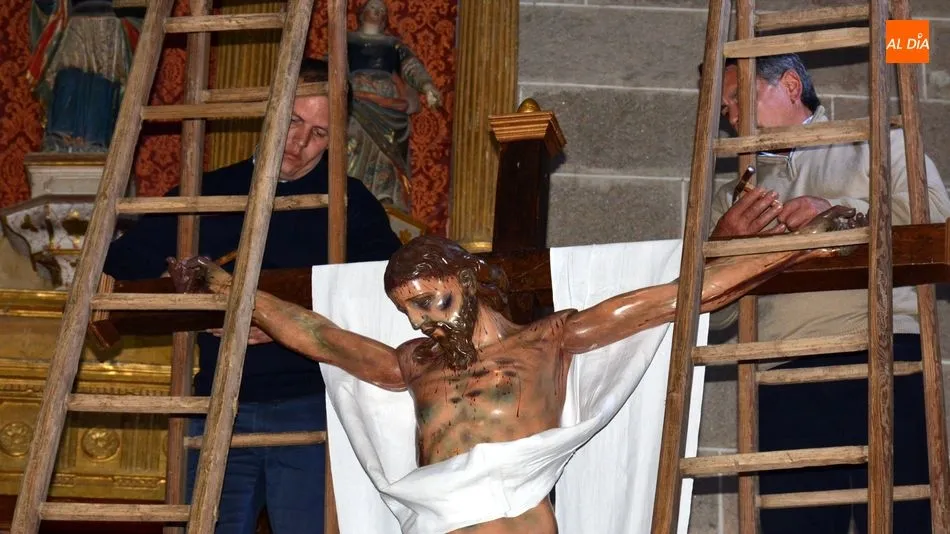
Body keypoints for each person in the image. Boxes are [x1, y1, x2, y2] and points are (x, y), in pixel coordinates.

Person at [168, 207, 861, 534]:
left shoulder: (550, 341)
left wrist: (797, 249)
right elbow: (319, 335)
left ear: (467, 281)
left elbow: (682, 297)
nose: (422, 321)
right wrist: (230, 287)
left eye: (433, 301)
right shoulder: (412, 362)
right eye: (408, 311)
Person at [102, 58, 403, 534]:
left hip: (314, 406)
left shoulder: (351, 202)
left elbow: (387, 292)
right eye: (294, 122)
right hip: (218, 403)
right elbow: (121, 266)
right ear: (270, 113)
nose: (299, 143)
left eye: (319, 133)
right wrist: (189, 297)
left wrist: (286, 320)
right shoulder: (207, 192)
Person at [709, 53, 950, 534]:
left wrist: (838, 210)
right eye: (724, 109)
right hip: (780, 370)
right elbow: (713, 319)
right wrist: (723, 247)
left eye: (737, 97)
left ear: (790, 85)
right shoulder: (732, 198)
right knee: (795, 526)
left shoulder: (881, 144)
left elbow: (935, 221)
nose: (731, 116)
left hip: (883, 352)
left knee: (906, 517)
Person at [342, 0, 442, 213]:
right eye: (372, 8)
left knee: (386, 153)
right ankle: (349, 189)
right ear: (361, 13)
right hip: (355, 102)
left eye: (381, 10)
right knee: (353, 140)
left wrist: (427, 86)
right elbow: (330, 66)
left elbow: (411, 68)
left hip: (389, 111)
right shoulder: (346, 40)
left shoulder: (394, 45)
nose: (376, 12)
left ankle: (384, 196)